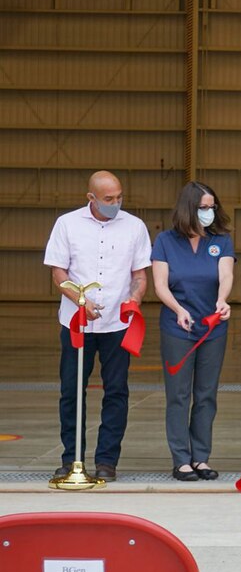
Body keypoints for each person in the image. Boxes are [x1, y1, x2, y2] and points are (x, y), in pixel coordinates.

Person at [43, 170, 151, 482]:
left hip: (117, 323)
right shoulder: (67, 224)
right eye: (108, 199)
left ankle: (107, 460)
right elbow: (58, 273)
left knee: (116, 391)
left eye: (119, 198)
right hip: (76, 322)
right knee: (71, 390)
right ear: (91, 198)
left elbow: (140, 274)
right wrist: (79, 299)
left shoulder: (135, 227)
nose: (115, 203)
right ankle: (71, 459)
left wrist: (136, 297)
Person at [151, 182, 235, 481]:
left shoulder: (221, 240)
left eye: (212, 207)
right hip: (178, 327)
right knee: (179, 394)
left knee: (206, 394)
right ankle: (181, 459)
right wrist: (178, 309)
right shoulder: (164, 241)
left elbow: (225, 274)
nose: (209, 212)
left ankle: (201, 457)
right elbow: (160, 284)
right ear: (189, 208)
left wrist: (221, 301)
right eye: (203, 207)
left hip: (212, 328)